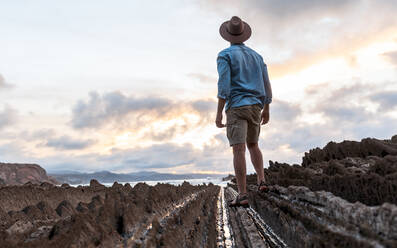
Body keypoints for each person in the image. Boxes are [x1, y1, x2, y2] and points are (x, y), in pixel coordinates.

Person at [215, 16, 273, 207]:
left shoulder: (225, 55)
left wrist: (219, 112)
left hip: (237, 106)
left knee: (238, 149)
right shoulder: (257, 57)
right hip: (256, 106)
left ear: (228, 36)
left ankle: (242, 194)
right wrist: (267, 108)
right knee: (254, 145)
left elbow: (224, 84)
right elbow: (266, 84)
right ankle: (261, 181)